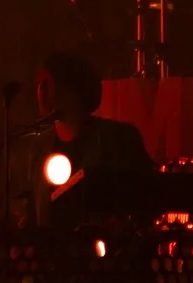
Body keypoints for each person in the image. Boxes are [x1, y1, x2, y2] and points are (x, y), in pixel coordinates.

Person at [37, 50, 159, 225]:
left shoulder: (119, 139)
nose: (40, 92)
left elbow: (148, 199)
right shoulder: (39, 148)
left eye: (46, 84)